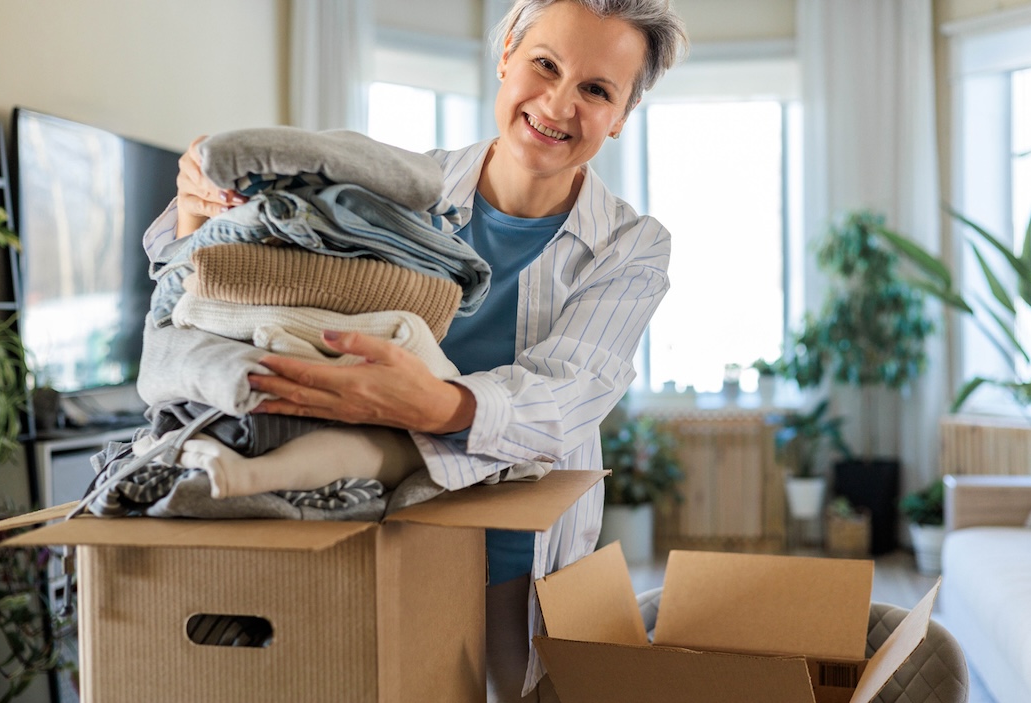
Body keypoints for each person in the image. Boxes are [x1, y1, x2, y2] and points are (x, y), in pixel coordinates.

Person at [146, 1, 688, 699]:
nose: (558, 103)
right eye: (544, 65)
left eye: (595, 89)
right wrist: (197, 207)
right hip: (367, 529)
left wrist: (433, 403)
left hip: (516, 560)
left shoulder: (631, 245)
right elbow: (196, 280)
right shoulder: (393, 187)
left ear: (620, 117)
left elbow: (570, 393)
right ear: (505, 59)